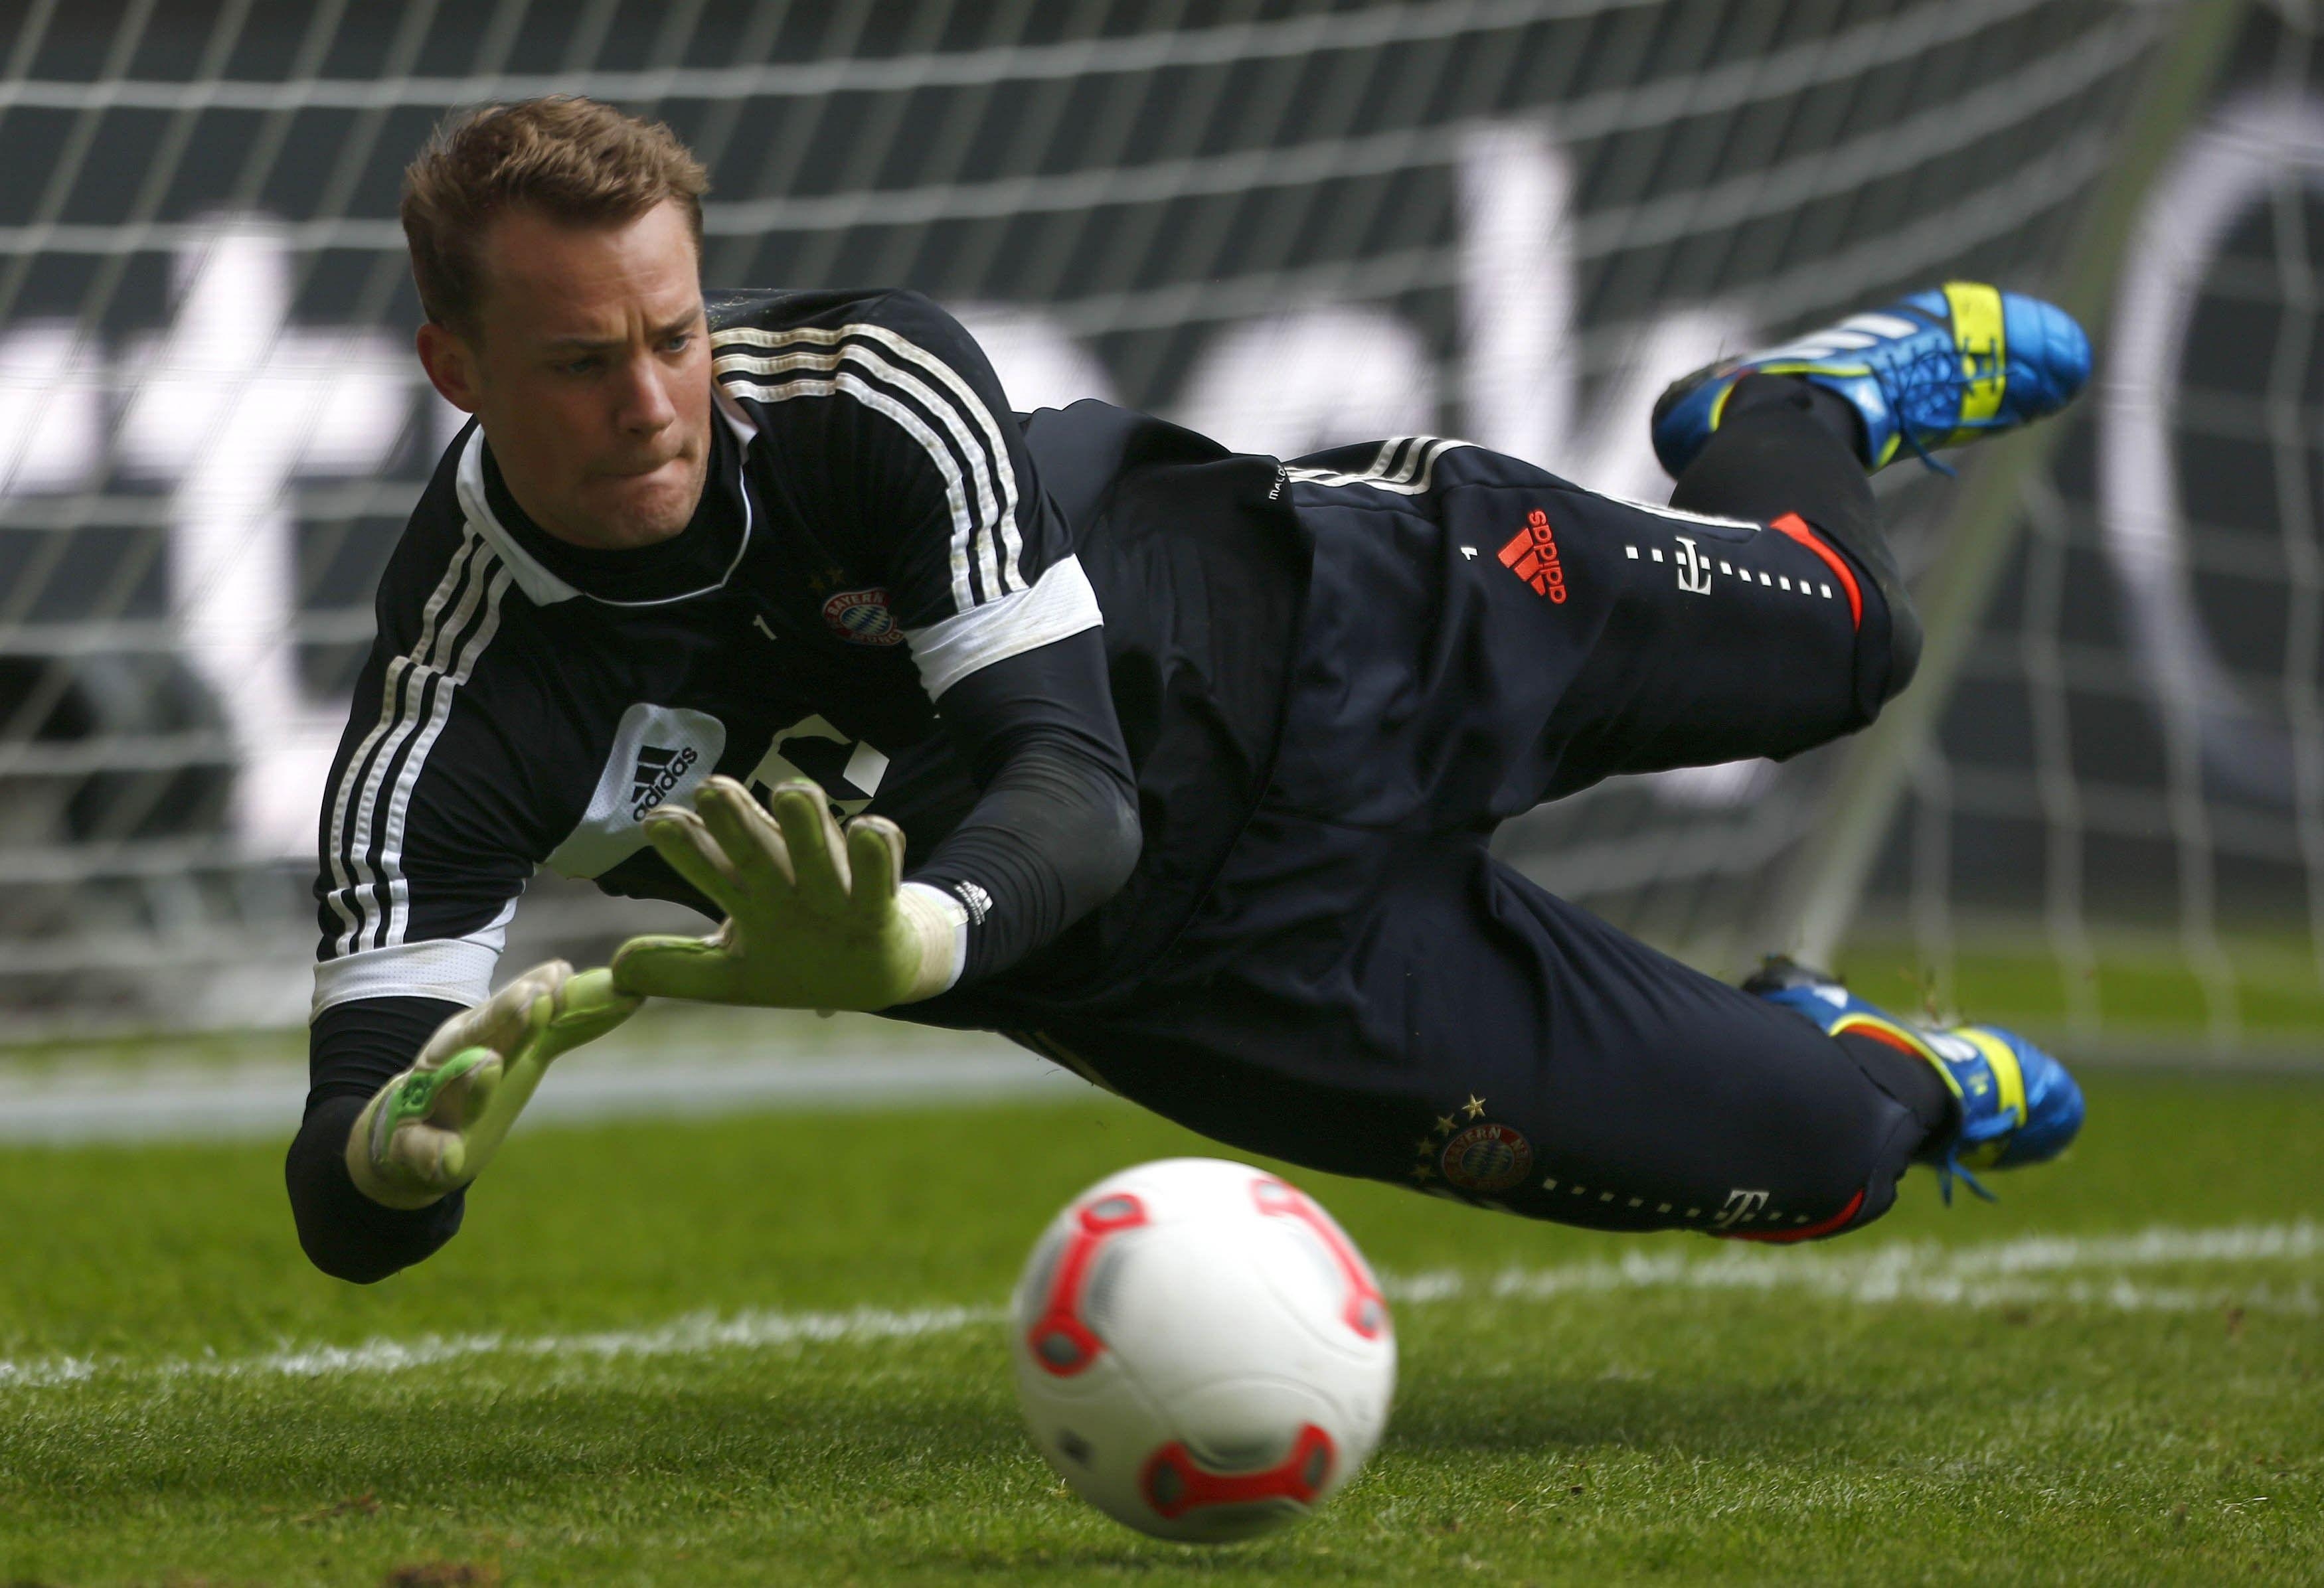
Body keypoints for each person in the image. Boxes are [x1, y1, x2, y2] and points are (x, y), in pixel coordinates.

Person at [287, 96, 2088, 1283]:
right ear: (454, 366)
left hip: (1362, 624)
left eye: (673, 335)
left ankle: (1779, 413)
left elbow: (1070, 790)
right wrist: (403, 1162)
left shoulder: (867, 390)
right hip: (1216, 976)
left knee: (1853, 637)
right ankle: (1862, 1047)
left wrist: (905, 943)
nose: (659, 404)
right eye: (584, 362)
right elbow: (347, 1188)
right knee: (1830, 1160)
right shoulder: (451, 720)